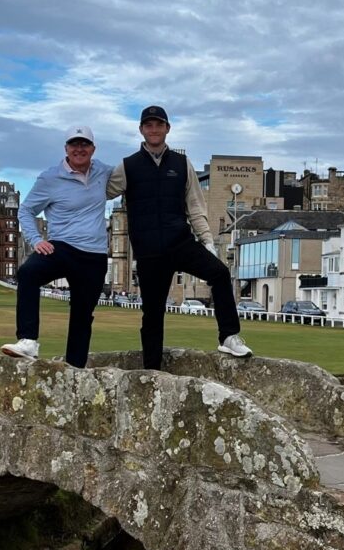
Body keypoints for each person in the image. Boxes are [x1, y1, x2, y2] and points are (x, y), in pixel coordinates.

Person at [106, 105, 252, 370]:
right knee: (152, 314)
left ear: (167, 128)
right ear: (141, 130)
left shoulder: (182, 164)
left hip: (180, 242)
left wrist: (207, 240)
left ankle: (228, 335)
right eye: (148, 125)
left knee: (219, 273)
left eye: (158, 125)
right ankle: (152, 371)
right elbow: (99, 192)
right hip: (149, 252)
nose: (154, 129)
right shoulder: (128, 166)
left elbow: (195, 206)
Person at [1, 125, 113, 367]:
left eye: (84, 144)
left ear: (93, 149)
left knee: (82, 315)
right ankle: (28, 340)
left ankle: (75, 369)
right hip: (62, 247)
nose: (79, 149)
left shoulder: (104, 172)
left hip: (94, 255)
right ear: (66, 148)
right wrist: (36, 239)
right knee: (28, 273)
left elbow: (130, 178)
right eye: (74, 144)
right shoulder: (50, 178)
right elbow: (26, 210)